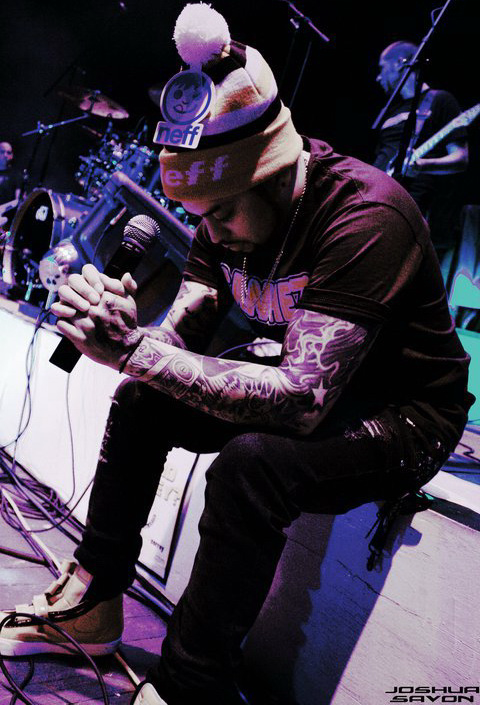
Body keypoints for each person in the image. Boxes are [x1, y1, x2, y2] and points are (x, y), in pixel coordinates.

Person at [0, 6, 474, 705]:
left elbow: (301, 401)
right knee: (140, 399)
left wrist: (133, 352)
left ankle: (191, 685)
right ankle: (93, 601)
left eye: (222, 212)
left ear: (274, 174)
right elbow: (174, 345)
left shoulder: (365, 215)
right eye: (203, 216)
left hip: (405, 412)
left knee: (254, 463)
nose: (212, 231)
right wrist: (124, 331)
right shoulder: (222, 216)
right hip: (307, 378)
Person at [374, 41, 469, 284]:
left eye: (382, 68)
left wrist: (423, 165)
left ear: (400, 63)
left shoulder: (440, 101)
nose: (378, 77)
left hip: (414, 212)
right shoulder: (390, 111)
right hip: (379, 203)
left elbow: (461, 158)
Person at [0, 141, 21, 228]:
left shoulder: (16, 175)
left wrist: (3, 208)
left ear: (11, 155)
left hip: (5, 218)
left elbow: (17, 201)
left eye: (8, 152)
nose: (5, 155)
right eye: (2, 152)